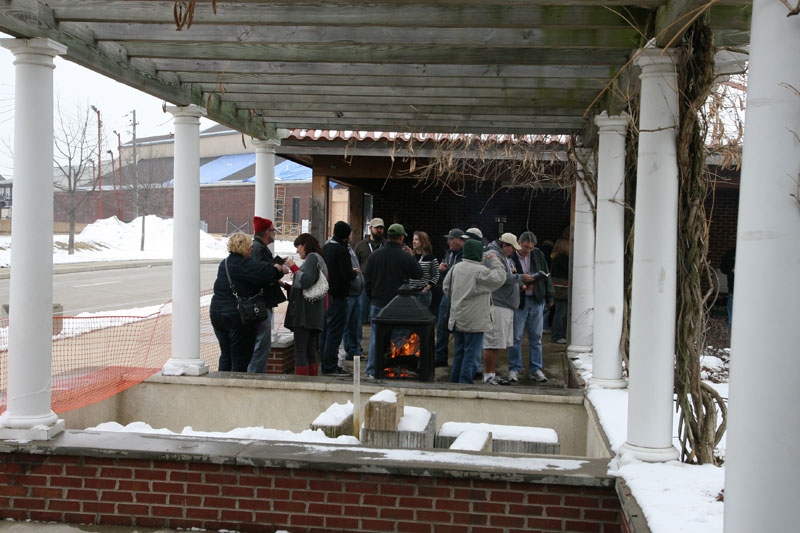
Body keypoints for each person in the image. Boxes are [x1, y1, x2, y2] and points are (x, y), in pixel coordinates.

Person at [209, 233, 290, 372]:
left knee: (226, 354)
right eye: (250, 247)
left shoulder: (225, 263)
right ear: (243, 247)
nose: (252, 249)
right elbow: (266, 275)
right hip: (236, 315)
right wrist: (278, 269)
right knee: (240, 357)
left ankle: (222, 388)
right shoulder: (244, 264)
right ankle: (237, 390)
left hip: (216, 312)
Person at [362, 223, 423, 379]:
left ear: (388, 236)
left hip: (378, 303)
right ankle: (396, 369)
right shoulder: (405, 257)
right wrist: (412, 256)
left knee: (377, 338)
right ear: (402, 238)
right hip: (399, 306)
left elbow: (366, 278)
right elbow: (418, 274)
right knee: (399, 339)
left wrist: (372, 296)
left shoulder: (375, 255)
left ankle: (372, 371)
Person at [442, 238, 506, 384]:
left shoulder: (455, 268)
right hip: (475, 320)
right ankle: (464, 383)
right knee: (470, 353)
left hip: (457, 318)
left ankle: (455, 382)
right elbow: (500, 278)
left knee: (459, 352)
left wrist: (458, 299)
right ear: (478, 253)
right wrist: (495, 260)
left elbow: (446, 288)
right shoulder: (480, 271)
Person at [481, 233, 535, 385]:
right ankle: (488, 375)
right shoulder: (492, 256)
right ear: (505, 245)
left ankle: (492, 374)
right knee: (492, 341)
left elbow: (509, 276)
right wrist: (521, 278)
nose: (514, 252)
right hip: (497, 304)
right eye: (512, 248)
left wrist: (521, 284)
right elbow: (500, 277)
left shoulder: (505, 257)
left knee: (498, 342)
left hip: (505, 305)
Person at [508, 231, 554, 383]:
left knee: (537, 337)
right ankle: (515, 368)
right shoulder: (512, 256)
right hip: (519, 301)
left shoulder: (538, 255)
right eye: (526, 247)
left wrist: (549, 296)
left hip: (536, 299)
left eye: (531, 248)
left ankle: (535, 368)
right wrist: (521, 285)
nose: (528, 250)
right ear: (519, 243)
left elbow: (546, 275)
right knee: (516, 337)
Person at [284, 233, 328, 376]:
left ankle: (301, 383)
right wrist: (285, 285)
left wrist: (293, 267)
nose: (297, 250)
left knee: (300, 351)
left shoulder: (311, 258)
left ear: (305, 245)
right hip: (314, 313)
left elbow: (306, 281)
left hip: (304, 314)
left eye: (298, 246)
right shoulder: (319, 259)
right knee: (310, 350)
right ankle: (312, 380)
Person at [248, 216, 287, 373]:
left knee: (261, 343)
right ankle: (255, 377)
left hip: (261, 303)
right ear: (266, 232)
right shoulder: (259, 249)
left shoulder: (257, 248)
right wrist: (279, 270)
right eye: (272, 230)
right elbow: (264, 275)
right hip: (262, 304)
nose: (274, 234)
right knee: (261, 345)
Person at [320, 221, 356, 376]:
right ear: (345, 234)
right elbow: (346, 275)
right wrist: (355, 273)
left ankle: (325, 362)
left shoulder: (325, 248)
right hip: (339, 297)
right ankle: (330, 366)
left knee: (325, 332)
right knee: (335, 333)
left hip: (326, 296)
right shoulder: (342, 250)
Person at [434, 228, 465, 367]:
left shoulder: (466, 255)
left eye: (451, 239)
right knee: (441, 326)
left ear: (460, 240)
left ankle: (461, 360)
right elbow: (444, 276)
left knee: (459, 328)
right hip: (447, 295)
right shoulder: (448, 253)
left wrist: (448, 270)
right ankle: (440, 356)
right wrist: (441, 270)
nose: (448, 242)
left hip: (460, 296)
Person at [342, 232, 365, 361]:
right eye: (349, 234)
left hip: (357, 291)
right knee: (348, 323)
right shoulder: (342, 250)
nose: (351, 236)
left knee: (355, 323)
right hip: (350, 292)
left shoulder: (350, 249)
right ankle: (350, 350)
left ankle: (354, 349)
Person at [408, 230, 439, 309]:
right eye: (413, 239)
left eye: (416, 239)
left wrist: (428, 287)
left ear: (423, 241)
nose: (413, 242)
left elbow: (436, 275)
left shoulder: (430, 258)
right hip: (409, 292)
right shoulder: (410, 256)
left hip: (423, 292)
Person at [549, 238, 570, 344]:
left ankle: (557, 335)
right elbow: (568, 271)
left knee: (559, 311)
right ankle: (558, 335)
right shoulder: (564, 258)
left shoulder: (555, 256)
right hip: (563, 288)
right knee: (561, 313)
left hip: (557, 287)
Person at [720, 246, 736, 328]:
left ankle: (731, 323)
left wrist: (731, 271)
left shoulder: (730, 252)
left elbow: (723, 269)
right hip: (748, 287)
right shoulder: (751, 252)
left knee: (732, 301)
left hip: (733, 284)